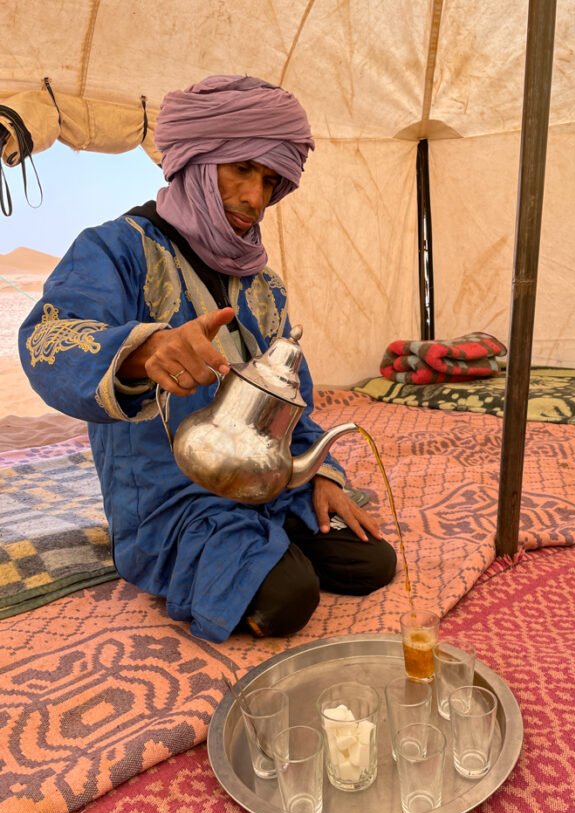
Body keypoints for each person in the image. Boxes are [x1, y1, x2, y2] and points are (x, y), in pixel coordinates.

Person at [18, 75, 396, 643]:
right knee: (289, 599)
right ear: (195, 162)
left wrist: (323, 476)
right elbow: (48, 341)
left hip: (267, 479)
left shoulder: (262, 282)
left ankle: (265, 540)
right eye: (240, 169)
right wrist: (141, 352)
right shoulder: (115, 248)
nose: (255, 198)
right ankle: (234, 554)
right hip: (169, 494)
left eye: (270, 179)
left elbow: (294, 400)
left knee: (371, 563)